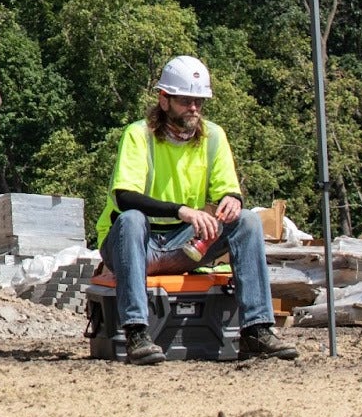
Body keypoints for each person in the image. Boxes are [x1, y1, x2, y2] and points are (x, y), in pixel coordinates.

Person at [95, 55, 298, 364]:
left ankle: (256, 330)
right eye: (185, 100)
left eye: (199, 101)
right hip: (134, 245)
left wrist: (232, 199)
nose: (193, 108)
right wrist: (183, 211)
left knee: (247, 222)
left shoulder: (214, 136)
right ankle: (136, 332)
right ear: (164, 100)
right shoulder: (139, 135)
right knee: (132, 220)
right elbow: (124, 197)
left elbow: (227, 188)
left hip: (184, 245)